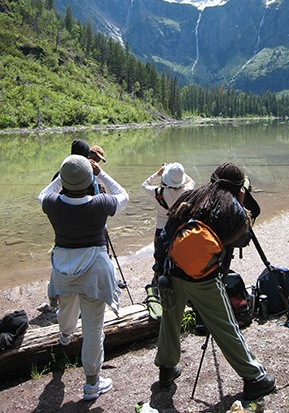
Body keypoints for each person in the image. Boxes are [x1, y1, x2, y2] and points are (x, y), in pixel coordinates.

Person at [153, 162, 276, 400]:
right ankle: (255, 378)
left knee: (170, 321)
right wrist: (241, 202)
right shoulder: (233, 210)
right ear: (238, 187)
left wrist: (159, 270)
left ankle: (166, 371)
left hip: (173, 271)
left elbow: (164, 235)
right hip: (205, 280)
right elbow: (241, 240)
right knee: (225, 327)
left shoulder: (190, 197)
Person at [38, 154, 129, 401]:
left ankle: (65, 335)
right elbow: (123, 195)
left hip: (63, 269)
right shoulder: (100, 203)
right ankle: (91, 385)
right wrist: (100, 173)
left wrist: (62, 176)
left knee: (66, 308)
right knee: (93, 329)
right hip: (94, 273)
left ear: (63, 181)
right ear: (90, 179)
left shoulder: (53, 203)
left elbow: (42, 194)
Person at [142, 162, 195, 275]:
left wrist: (158, 173)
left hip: (162, 228)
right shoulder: (187, 191)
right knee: (179, 258)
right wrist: (180, 174)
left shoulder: (158, 192)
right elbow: (191, 181)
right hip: (179, 228)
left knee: (159, 257)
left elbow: (145, 185)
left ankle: (159, 276)